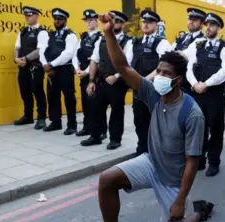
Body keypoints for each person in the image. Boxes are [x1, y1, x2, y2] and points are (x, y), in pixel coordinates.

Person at [80, 12, 213, 222]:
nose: (160, 77)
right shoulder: (154, 94)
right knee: (107, 179)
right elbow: (123, 67)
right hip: (151, 163)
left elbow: (192, 162)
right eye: (159, 71)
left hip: (173, 178)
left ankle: (197, 211)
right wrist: (108, 33)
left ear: (179, 79)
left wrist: (180, 200)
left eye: (166, 73)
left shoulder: (192, 113)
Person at [185, 12, 225, 177]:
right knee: (199, 127)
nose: (208, 27)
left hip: (215, 94)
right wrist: (194, 84)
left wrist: (206, 84)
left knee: (216, 128)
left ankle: (214, 162)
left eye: (212, 25)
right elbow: (189, 66)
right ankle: (200, 159)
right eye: (207, 24)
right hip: (197, 92)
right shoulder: (197, 44)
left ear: (219, 28)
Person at [82, 10, 132, 150]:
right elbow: (94, 60)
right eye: (111, 21)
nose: (112, 23)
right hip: (101, 80)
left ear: (122, 24)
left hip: (117, 82)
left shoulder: (128, 41)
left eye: (116, 21)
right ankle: (95, 136)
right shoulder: (101, 39)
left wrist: (116, 76)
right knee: (95, 108)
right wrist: (91, 80)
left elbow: (128, 63)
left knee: (116, 111)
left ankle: (115, 139)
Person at [129, 9, 173, 154]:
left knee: (156, 122)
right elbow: (128, 64)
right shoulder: (135, 42)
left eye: (150, 22)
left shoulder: (162, 42)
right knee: (139, 121)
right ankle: (142, 149)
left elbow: (163, 67)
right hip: (138, 90)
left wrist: (143, 81)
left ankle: (157, 151)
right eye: (144, 22)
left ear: (156, 25)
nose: (146, 25)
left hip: (154, 90)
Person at [39, 8, 78, 135]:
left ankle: (72, 125)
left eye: (60, 19)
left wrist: (51, 64)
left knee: (69, 97)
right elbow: (42, 50)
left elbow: (68, 53)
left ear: (65, 20)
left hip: (64, 69)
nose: (57, 21)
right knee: (52, 96)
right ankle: (55, 122)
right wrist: (45, 64)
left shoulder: (70, 35)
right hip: (51, 70)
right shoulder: (50, 34)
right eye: (55, 19)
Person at [13, 6, 48, 130]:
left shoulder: (42, 32)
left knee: (38, 92)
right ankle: (28, 116)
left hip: (35, 68)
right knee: (25, 92)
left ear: (36, 16)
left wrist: (26, 59)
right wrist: (16, 59)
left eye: (29, 15)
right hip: (23, 67)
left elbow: (40, 51)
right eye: (26, 15)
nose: (27, 17)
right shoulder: (22, 31)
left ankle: (41, 118)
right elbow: (16, 47)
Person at [72, 9, 103, 137]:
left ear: (96, 22)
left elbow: (98, 58)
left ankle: (101, 130)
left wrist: (85, 72)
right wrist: (77, 69)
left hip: (94, 75)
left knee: (96, 104)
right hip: (82, 74)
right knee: (85, 103)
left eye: (91, 20)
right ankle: (87, 127)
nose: (88, 23)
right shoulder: (83, 38)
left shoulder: (100, 38)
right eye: (86, 21)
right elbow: (75, 55)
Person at [173, 8, 206, 95]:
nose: (191, 21)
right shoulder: (182, 38)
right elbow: (171, 51)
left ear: (202, 23)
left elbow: (183, 55)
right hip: (177, 82)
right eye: (190, 19)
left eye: (195, 20)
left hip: (189, 84)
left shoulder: (202, 40)